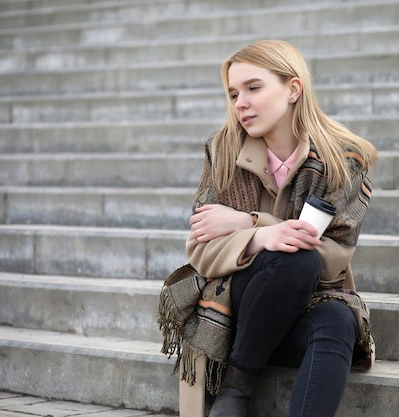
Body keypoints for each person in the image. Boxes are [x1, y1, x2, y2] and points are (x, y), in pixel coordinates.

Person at [160, 39, 378, 417]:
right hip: (238, 312)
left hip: (308, 300)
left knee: (339, 318)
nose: (239, 102)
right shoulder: (224, 151)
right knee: (295, 260)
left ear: (293, 89)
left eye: (253, 88)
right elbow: (200, 250)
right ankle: (236, 391)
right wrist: (263, 237)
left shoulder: (343, 159)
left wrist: (251, 223)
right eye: (233, 93)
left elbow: (334, 256)